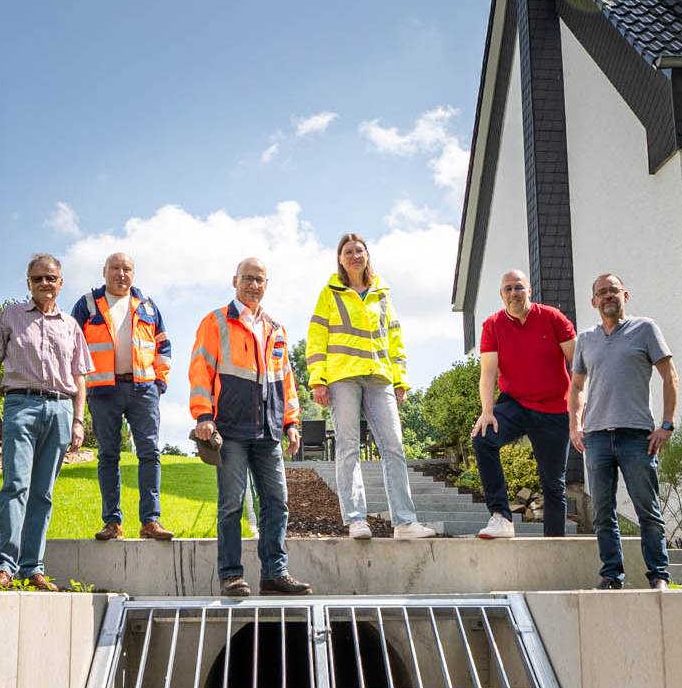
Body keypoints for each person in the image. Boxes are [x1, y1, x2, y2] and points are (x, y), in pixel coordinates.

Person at [189, 257, 312, 597]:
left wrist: (291, 422)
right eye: (248, 278)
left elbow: (286, 379)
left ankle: (274, 573)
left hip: (269, 432)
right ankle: (231, 575)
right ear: (235, 281)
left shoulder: (276, 329)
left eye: (260, 280)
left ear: (266, 284)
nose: (254, 285)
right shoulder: (215, 322)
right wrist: (203, 415)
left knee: (277, 503)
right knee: (231, 504)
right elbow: (200, 370)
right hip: (229, 431)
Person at [308, 233, 437, 540]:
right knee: (348, 446)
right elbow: (316, 336)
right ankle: (356, 520)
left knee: (394, 446)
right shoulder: (329, 292)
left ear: (367, 256)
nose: (355, 255)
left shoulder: (382, 292)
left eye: (359, 250)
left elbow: (394, 338)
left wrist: (400, 380)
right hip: (343, 377)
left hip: (380, 377)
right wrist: (317, 378)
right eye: (348, 251)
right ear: (340, 259)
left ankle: (405, 522)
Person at [0, 253, 91, 590]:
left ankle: (33, 568)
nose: (45, 283)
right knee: (16, 486)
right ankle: (4, 566)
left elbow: (79, 377)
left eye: (51, 278)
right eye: (38, 278)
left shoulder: (71, 326)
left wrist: (78, 421)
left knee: (43, 494)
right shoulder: (10, 316)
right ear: (28, 283)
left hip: (59, 411)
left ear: (60, 283)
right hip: (20, 406)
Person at [568, 272, 679, 589]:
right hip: (597, 437)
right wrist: (575, 424)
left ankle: (659, 575)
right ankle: (611, 576)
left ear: (625, 295)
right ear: (594, 301)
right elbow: (577, 386)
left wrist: (667, 424)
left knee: (648, 510)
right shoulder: (586, 340)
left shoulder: (645, 329)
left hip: (636, 437)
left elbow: (670, 376)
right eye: (601, 293)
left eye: (613, 291)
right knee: (603, 513)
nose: (608, 296)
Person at [73, 252, 175, 542]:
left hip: (143, 390)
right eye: (115, 268)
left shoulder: (148, 306)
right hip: (103, 390)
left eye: (126, 269)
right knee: (108, 455)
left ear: (134, 273)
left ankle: (151, 521)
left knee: (150, 453)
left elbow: (163, 347)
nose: (121, 273)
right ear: (104, 271)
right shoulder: (88, 304)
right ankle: (112, 522)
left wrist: (158, 384)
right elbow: (72, 346)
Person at [469, 268, 577, 539]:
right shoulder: (492, 325)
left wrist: (578, 408)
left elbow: (579, 366)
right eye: (508, 289)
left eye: (519, 287)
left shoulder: (552, 318)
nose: (514, 293)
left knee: (554, 485)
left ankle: (554, 548)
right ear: (501, 295)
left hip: (554, 409)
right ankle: (501, 517)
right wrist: (487, 411)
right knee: (483, 438)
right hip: (515, 403)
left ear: (529, 290)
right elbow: (489, 372)